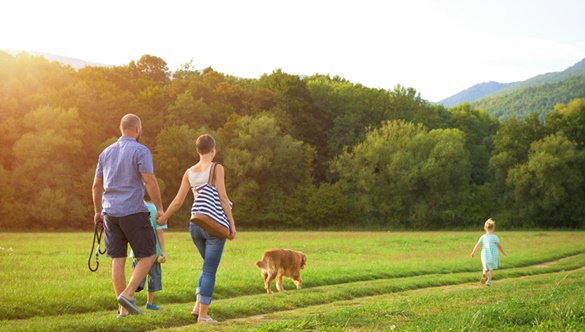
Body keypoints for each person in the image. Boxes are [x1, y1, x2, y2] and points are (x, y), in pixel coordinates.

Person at [157, 134, 236, 324]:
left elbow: (177, 201)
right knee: (209, 269)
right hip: (213, 225)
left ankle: (197, 306)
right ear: (213, 149)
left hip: (195, 226)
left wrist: (163, 218)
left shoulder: (189, 172)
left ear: (197, 150)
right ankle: (203, 315)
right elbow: (223, 197)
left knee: (206, 266)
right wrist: (232, 224)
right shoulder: (217, 168)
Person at [92, 113, 165, 317]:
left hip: (110, 213)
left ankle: (122, 311)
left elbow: (97, 185)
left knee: (118, 259)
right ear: (138, 129)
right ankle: (128, 294)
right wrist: (159, 208)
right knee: (150, 254)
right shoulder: (141, 151)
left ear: (120, 129)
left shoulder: (105, 153)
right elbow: (149, 181)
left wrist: (98, 211)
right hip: (133, 211)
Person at [130, 194, 167, 310]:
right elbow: (160, 232)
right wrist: (163, 251)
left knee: (136, 276)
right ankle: (149, 303)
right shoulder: (157, 210)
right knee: (153, 277)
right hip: (153, 250)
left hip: (138, 249)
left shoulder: (137, 208)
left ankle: (129, 299)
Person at [470, 218, 507, 286]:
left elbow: (477, 245)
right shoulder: (495, 237)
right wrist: (503, 252)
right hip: (492, 256)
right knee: (491, 269)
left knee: (485, 267)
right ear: (493, 228)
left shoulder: (483, 237)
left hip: (484, 255)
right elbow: (499, 246)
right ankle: (489, 281)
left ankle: (484, 273)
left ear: (485, 228)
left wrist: (473, 252)